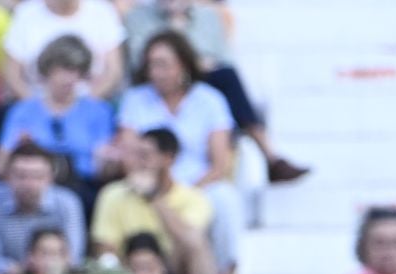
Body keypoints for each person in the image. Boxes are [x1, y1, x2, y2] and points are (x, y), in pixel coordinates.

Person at [123, 0, 307, 184]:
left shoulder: (209, 17)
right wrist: (174, 24)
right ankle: (268, 155)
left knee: (227, 76)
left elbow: (223, 58)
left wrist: (192, 63)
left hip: (201, 78)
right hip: (156, 81)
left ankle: (267, 153)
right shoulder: (138, 17)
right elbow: (140, 61)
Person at [115, 32, 239, 274]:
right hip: (148, 183)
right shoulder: (135, 99)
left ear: (182, 64)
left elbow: (220, 163)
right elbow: (128, 154)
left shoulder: (209, 100)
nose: (155, 72)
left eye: (162, 64)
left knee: (226, 198)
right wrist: (154, 189)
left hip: (199, 186)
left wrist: (186, 193)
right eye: (151, 64)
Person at [90, 128, 215, 274]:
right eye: (135, 155)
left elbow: (191, 241)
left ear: (168, 159)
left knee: (198, 247)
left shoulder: (193, 197)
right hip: (127, 270)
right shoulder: (113, 194)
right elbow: (105, 247)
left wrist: (154, 197)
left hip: (174, 268)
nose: (137, 163)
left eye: (145, 155)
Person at [0, 34, 117, 204]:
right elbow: (0, 167)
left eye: (75, 71)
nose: (69, 78)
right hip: (33, 187)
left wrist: (108, 161)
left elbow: (103, 169)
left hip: (84, 189)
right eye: (62, 69)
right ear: (47, 70)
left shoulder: (99, 111)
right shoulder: (22, 111)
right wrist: (18, 149)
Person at [0, 142, 86, 274]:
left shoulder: (67, 203)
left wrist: (41, 272)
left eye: (37, 176)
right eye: (21, 176)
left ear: (50, 177)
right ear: (7, 176)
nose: (28, 184)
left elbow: (73, 257)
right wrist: (23, 272)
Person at [0, 0, 124, 101]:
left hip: (89, 107)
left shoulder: (103, 11)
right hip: (37, 105)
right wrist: (39, 108)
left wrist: (84, 106)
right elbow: (12, 74)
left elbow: (113, 71)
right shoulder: (26, 12)